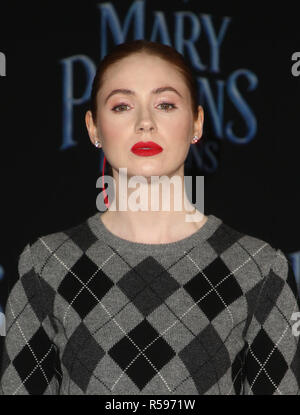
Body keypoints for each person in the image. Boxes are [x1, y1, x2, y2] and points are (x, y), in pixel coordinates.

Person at [0, 40, 299, 395]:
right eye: (122, 105)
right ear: (94, 127)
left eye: (166, 104)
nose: (145, 123)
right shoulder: (44, 266)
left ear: (196, 123)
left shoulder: (259, 269)